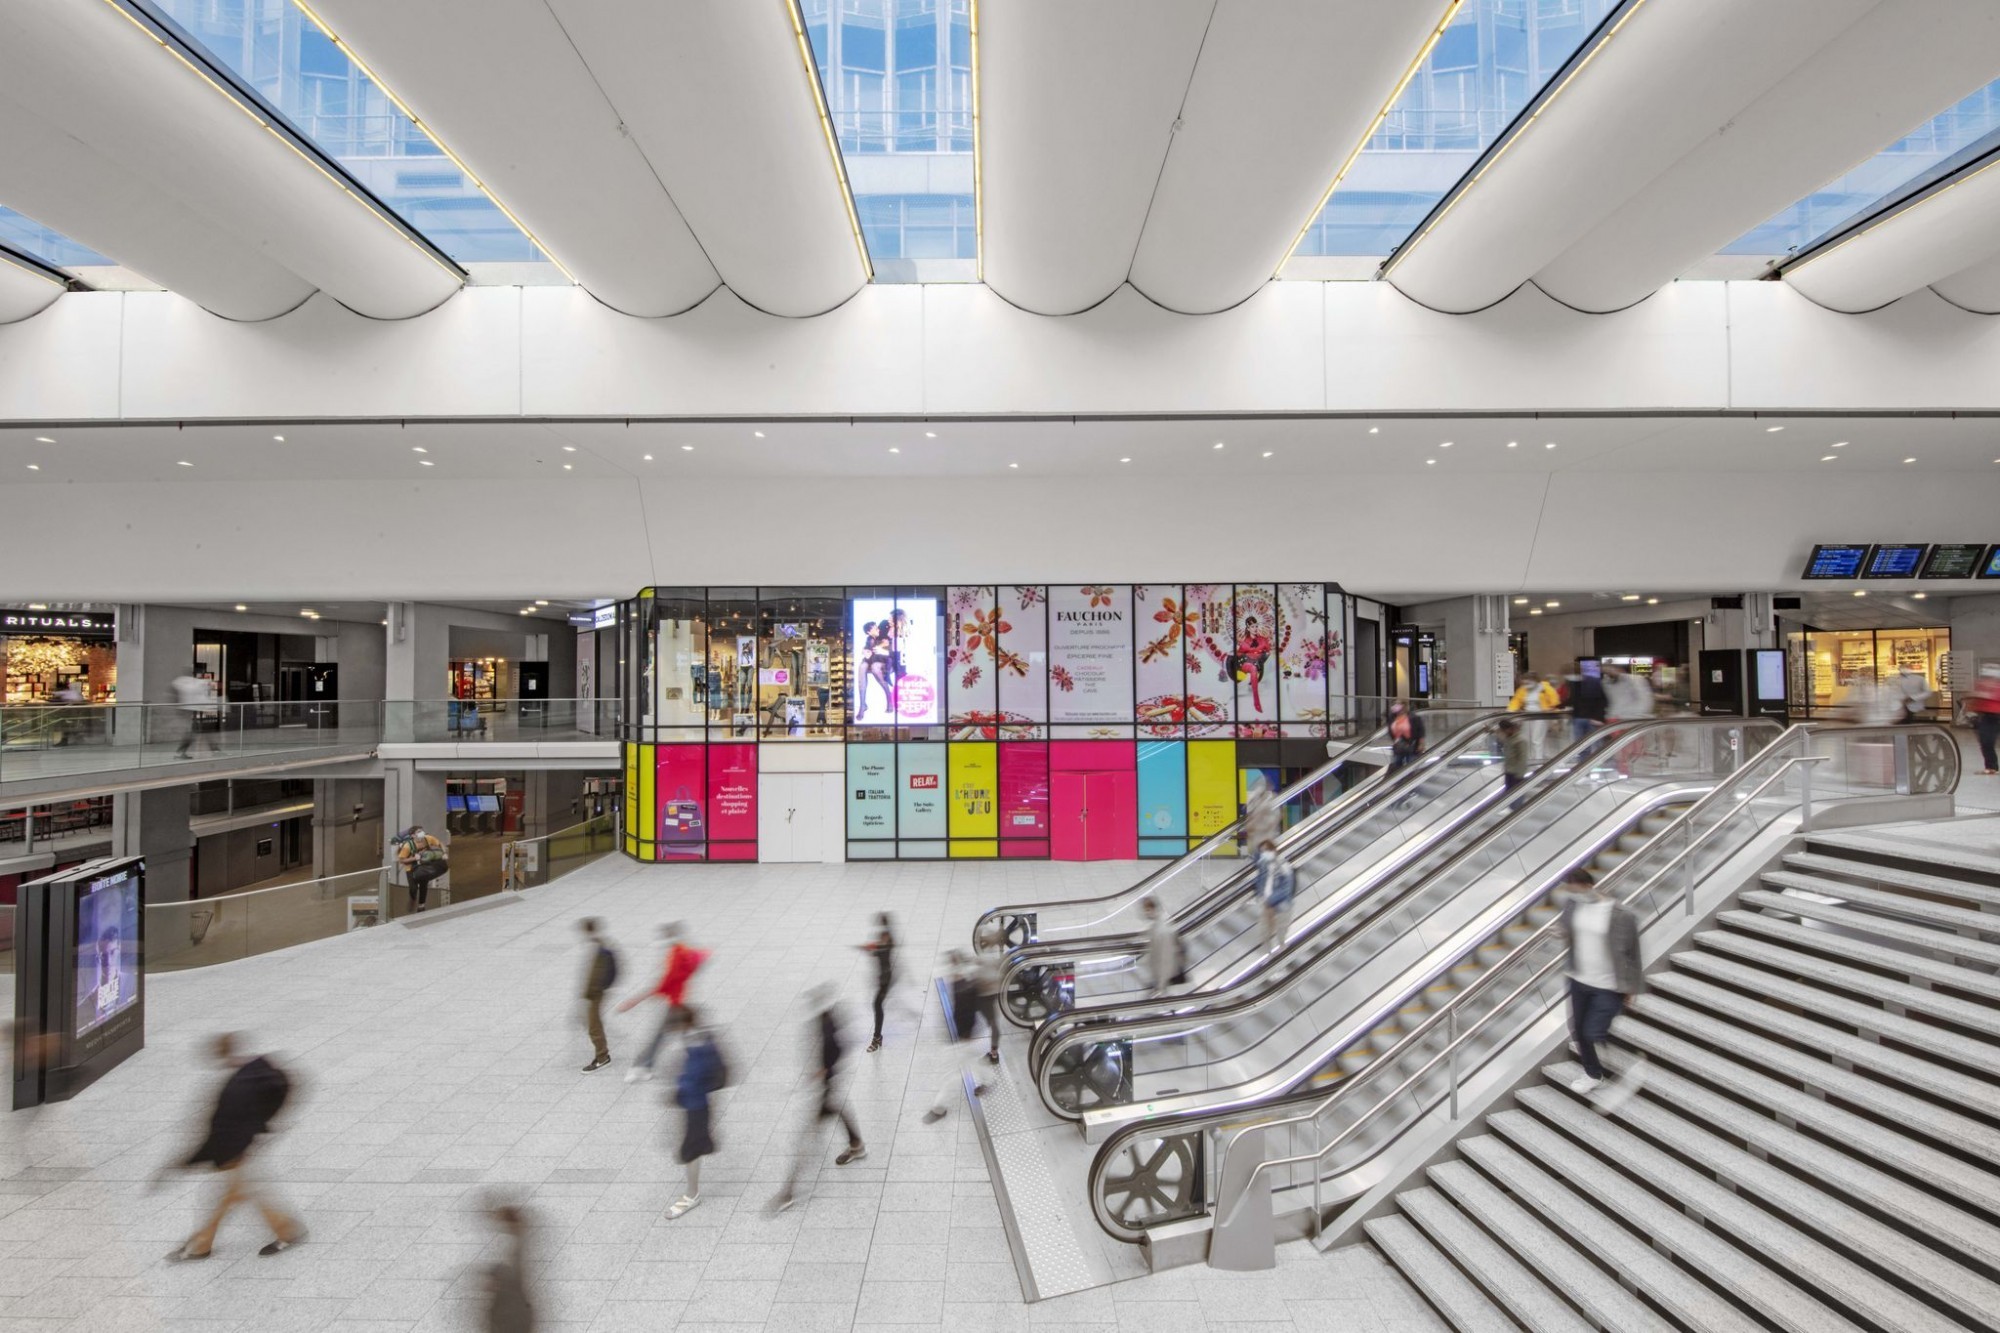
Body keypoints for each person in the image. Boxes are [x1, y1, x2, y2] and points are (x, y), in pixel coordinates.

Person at [167, 1034, 303, 1261]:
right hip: (246, 1144)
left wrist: (193, 1158)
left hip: (239, 1149)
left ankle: (287, 1231)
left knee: (244, 1191)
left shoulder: (236, 1088)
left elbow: (224, 1128)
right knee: (231, 1194)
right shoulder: (259, 1067)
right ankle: (203, 1241)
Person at [774, 985, 866, 1211]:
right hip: (829, 1087)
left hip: (825, 1089)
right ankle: (857, 1145)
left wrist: (822, 1072)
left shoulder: (827, 1030)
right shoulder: (829, 1020)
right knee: (839, 1108)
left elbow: (834, 1052)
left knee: (805, 1138)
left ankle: (788, 1191)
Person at [1557, 869, 1645, 1105]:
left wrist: (1632, 988)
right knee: (1577, 1029)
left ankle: (1631, 1059)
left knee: (1593, 1031)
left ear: (1588, 886)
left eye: (1575, 889)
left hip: (1608, 984)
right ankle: (1593, 1074)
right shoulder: (1573, 905)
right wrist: (1561, 932)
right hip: (1579, 979)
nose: (1571, 894)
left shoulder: (1620, 915)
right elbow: (1567, 927)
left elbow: (1633, 954)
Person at [616, 922, 708, 1082]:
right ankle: (642, 1066)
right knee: (677, 1034)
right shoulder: (681, 952)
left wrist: (635, 1000)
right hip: (679, 1002)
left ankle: (641, 1066)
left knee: (665, 1035)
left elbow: (666, 981)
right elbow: (698, 959)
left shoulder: (677, 954)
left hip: (677, 1003)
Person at [924, 949, 999, 1123]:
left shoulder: (965, 987)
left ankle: (938, 1108)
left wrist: (965, 1036)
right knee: (972, 1062)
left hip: (967, 1037)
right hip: (966, 1037)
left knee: (951, 1074)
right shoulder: (961, 983)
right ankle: (989, 1080)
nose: (950, 969)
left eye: (952, 964)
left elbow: (967, 1014)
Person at [667, 1006, 727, 1219]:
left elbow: (693, 1079)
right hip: (696, 1104)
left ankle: (692, 1194)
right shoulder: (696, 1038)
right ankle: (692, 1189)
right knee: (691, 1147)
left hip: (696, 1106)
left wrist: (678, 1089)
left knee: (690, 1150)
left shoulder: (697, 1047)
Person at [482, 1204, 535, 1333]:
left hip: (511, 1311)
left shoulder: (519, 1247)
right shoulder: (516, 1245)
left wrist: (495, 1274)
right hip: (509, 1309)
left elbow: (515, 1275)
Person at [578, 918, 618, 1073]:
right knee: (593, 1023)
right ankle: (603, 1053)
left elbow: (596, 975)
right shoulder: (600, 944)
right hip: (596, 992)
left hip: (595, 993)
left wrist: (589, 994)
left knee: (593, 1026)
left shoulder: (598, 948)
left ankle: (602, 1057)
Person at [857, 912, 896, 1053]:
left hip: (885, 980)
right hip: (882, 978)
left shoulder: (888, 941)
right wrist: (868, 949)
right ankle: (877, 1037)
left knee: (877, 1004)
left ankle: (877, 1038)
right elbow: (876, 950)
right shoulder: (884, 939)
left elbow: (882, 948)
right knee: (877, 1005)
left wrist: (874, 947)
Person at [1253, 838, 1295, 955]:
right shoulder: (1263, 866)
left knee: (1280, 936)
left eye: (1266, 850)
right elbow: (1260, 882)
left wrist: (1270, 900)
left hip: (1281, 906)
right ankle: (1268, 960)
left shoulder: (1283, 866)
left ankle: (1280, 962)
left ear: (1273, 850)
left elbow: (1287, 887)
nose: (1264, 854)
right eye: (1262, 851)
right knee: (1265, 934)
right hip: (1267, 906)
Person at [394, 826, 448, 914]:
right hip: (411, 868)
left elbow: (440, 843)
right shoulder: (408, 846)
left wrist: (444, 853)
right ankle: (413, 900)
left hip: (424, 865)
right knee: (413, 888)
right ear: (413, 835)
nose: (421, 833)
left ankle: (421, 905)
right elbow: (401, 860)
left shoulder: (428, 838)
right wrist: (414, 858)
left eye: (421, 831)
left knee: (424, 885)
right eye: (418, 832)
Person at [1508, 671, 1560, 762]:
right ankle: (1528, 759)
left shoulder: (1546, 689)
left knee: (1537, 740)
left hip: (1541, 717)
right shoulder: (1522, 690)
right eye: (1524, 683)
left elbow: (1555, 701)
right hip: (1527, 717)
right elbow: (1515, 701)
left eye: (1528, 682)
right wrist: (1510, 710)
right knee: (1526, 739)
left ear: (1535, 681)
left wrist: (1550, 709)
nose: (1526, 685)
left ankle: (1538, 760)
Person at [1138, 894, 1182, 995]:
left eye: (1147, 909)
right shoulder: (1157, 925)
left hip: (1163, 980)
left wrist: (1160, 986)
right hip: (1158, 976)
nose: (1145, 913)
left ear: (1154, 908)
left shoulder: (1162, 930)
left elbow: (1165, 959)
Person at [171, 673, 220, 759]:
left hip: (189, 710)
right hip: (189, 710)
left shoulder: (187, 683)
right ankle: (181, 752)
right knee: (192, 732)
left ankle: (213, 748)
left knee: (195, 731)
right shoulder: (198, 684)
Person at [1968, 663, 2000, 775]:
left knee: (1987, 741)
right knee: (1986, 742)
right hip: (1987, 716)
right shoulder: (1981, 683)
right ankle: (1991, 767)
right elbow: (1975, 698)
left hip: (1996, 715)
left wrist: (1984, 694)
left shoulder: (1997, 685)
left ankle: (1992, 766)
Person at [1566, 662, 1608, 743]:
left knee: (1597, 742)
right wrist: (1559, 705)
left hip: (1592, 718)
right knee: (1581, 743)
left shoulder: (1593, 681)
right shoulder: (1572, 683)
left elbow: (1601, 700)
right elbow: (1573, 699)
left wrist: (1598, 717)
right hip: (1578, 717)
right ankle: (1584, 756)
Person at [1241, 773, 1279, 858]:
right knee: (1259, 859)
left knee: (1265, 862)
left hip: (1266, 840)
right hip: (1256, 840)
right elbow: (1249, 815)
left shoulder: (1271, 799)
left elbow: (1275, 818)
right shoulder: (1254, 799)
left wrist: (1256, 823)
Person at [1499, 717, 1531, 801]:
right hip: (1509, 770)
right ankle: (1511, 808)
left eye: (1504, 731)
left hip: (1516, 773)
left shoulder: (1520, 740)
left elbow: (1523, 759)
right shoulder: (1509, 738)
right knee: (1509, 792)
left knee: (1516, 794)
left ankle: (1518, 809)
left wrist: (1520, 775)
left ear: (1510, 728)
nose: (1503, 733)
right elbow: (1499, 735)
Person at [1387, 702, 1425, 772]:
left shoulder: (1414, 718)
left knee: (1411, 764)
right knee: (1396, 764)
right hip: (1398, 746)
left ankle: (1410, 779)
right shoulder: (1392, 718)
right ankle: (1397, 780)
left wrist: (1421, 744)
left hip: (1412, 745)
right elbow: (1390, 730)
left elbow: (1420, 731)